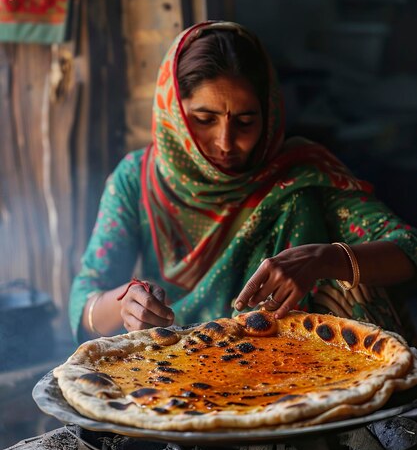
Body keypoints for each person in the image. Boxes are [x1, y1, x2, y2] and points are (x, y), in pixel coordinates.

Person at [69, 21, 417, 345]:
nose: (224, 141)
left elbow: (408, 247)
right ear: (173, 112)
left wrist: (325, 259)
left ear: (269, 115)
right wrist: (125, 305)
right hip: (177, 373)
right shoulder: (138, 181)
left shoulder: (300, 177)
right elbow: (85, 296)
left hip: (299, 366)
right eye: (204, 120)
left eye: (246, 122)